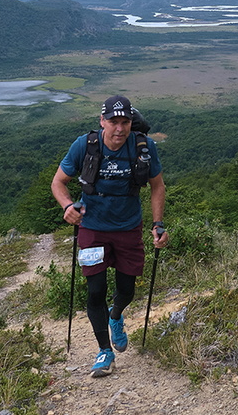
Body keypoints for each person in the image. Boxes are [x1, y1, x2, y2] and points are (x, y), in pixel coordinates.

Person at [52, 95, 169, 377]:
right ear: (102, 121)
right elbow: (58, 182)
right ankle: (104, 351)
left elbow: (157, 186)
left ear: (132, 122)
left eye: (125, 121)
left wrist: (158, 223)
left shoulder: (143, 147)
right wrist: (68, 206)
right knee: (95, 291)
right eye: (113, 121)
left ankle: (115, 316)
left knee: (127, 289)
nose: (119, 128)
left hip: (128, 226)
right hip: (92, 227)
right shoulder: (85, 145)